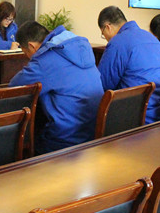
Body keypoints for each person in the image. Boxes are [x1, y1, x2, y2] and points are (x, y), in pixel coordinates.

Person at [9, 21, 103, 154]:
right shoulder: (82, 48)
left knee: (23, 142)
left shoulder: (46, 59)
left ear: (31, 46)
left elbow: (14, 88)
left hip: (65, 141)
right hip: (94, 134)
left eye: (25, 53)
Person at [97, 6, 160, 124]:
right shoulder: (151, 37)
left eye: (103, 34)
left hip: (139, 117)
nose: (106, 38)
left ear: (108, 27)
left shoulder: (117, 42)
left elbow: (103, 84)